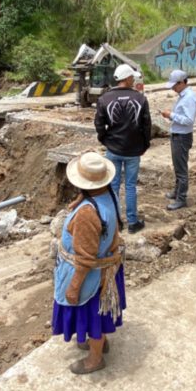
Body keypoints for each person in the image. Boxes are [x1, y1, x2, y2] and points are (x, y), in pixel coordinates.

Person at [52, 152, 126, 375]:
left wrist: (74, 286)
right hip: (108, 265)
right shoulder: (108, 195)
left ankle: (95, 359)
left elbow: (85, 257)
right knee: (99, 314)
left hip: (91, 273)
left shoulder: (86, 214)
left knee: (92, 314)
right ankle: (99, 343)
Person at [95, 63, 152, 234]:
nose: (134, 80)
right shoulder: (140, 99)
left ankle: (116, 222)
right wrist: (144, 145)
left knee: (112, 186)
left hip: (113, 149)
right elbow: (146, 125)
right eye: (132, 77)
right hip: (133, 151)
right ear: (127, 79)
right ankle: (133, 223)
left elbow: (99, 123)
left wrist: (104, 140)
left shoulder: (104, 99)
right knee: (130, 186)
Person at [160, 69, 196, 210]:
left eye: (175, 86)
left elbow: (189, 120)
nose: (173, 89)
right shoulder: (183, 96)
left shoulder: (189, 98)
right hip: (178, 135)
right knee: (177, 166)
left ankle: (181, 198)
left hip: (182, 137)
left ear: (182, 82)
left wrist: (171, 115)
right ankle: (177, 192)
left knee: (181, 169)